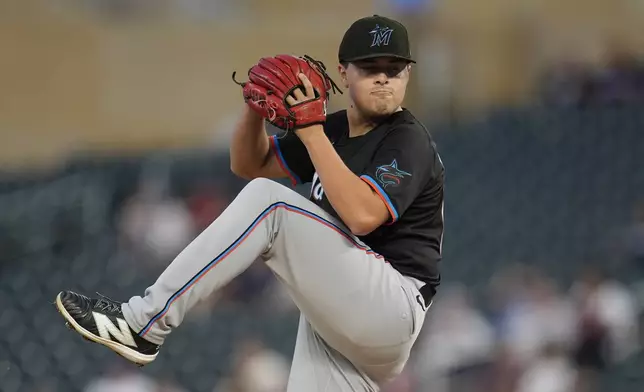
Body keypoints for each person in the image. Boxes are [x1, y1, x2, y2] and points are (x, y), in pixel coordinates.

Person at [55, 15, 445, 390]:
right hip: (343, 319)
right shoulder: (334, 130)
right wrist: (255, 110)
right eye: (369, 66)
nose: (382, 77)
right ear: (344, 72)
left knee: (271, 204)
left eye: (394, 69)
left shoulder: (407, 139)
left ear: (407, 74)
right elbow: (249, 163)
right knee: (265, 195)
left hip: (392, 305)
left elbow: (362, 217)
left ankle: (143, 324)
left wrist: (310, 132)